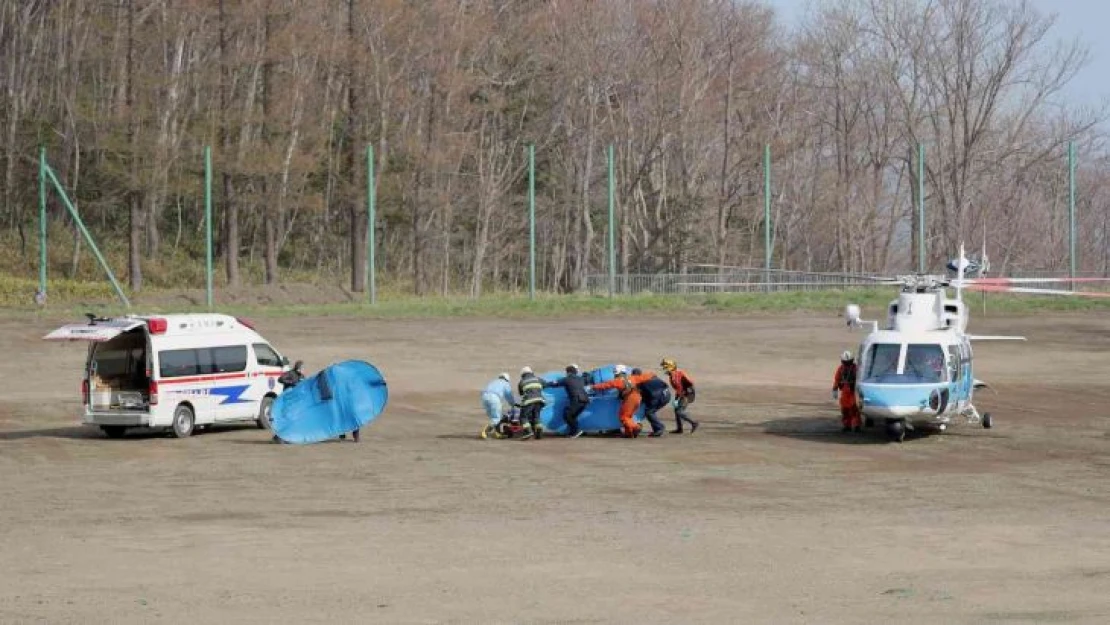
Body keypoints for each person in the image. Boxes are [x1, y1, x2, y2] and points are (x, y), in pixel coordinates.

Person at [586, 364, 643, 438]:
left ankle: (636, 428)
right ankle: (629, 433)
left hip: (630, 398)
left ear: (618, 373)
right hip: (637, 397)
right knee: (628, 416)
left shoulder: (619, 380)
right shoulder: (630, 378)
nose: (614, 374)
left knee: (624, 417)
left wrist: (593, 387)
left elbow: (606, 385)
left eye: (615, 373)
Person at [543, 364, 588, 438]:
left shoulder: (567, 379)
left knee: (567, 415)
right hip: (585, 400)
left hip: (577, 400)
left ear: (568, 372)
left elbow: (555, 383)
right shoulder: (581, 379)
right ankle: (575, 431)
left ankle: (576, 432)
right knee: (573, 416)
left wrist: (544, 384)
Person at [661, 358, 698, 434]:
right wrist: (676, 399)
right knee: (676, 410)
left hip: (686, 394)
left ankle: (694, 423)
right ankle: (679, 429)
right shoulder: (675, 374)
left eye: (665, 367)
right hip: (683, 393)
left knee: (679, 411)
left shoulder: (675, 376)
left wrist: (677, 399)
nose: (664, 369)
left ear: (670, 367)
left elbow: (680, 388)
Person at [272, 360, 306, 444]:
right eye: (302, 367)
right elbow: (280, 379)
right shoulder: (290, 373)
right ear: (298, 368)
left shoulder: (302, 376)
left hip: (296, 401)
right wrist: (291, 383)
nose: (303, 369)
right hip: (287, 400)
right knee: (286, 419)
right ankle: (278, 437)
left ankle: (289, 437)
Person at [631, 367, 670, 437]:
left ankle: (659, 428)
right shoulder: (649, 375)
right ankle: (658, 428)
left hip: (659, 396)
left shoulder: (639, 382)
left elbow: (644, 394)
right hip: (667, 393)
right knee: (650, 409)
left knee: (649, 412)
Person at [479, 372, 515, 439]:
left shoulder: (494, 381)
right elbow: (509, 396)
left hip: (484, 397)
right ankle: (485, 432)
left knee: (493, 417)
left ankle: (497, 433)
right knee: (496, 418)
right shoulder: (505, 383)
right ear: (507, 379)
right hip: (494, 398)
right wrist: (513, 404)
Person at [833, 350, 861, 432]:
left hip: (853, 392)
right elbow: (837, 379)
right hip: (844, 392)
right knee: (845, 410)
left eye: (848, 362)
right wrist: (835, 389)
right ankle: (847, 425)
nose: (847, 364)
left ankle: (856, 425)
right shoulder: (841, 369)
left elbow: (860, 379)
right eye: (846, 362)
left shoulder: (856, 369)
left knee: (854, 409)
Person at [517, 366, 546, 440]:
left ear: (522, 374)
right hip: (540, 400)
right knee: (536, 416)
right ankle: (539, 432)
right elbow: (545, 384)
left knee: (523, 417)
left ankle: (528, 432)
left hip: (529, 401)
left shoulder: (522, 381)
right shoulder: (538, 379)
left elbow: (521, 393)